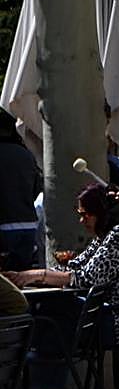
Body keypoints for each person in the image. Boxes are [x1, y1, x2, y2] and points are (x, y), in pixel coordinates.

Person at [5, 182, 119, 389]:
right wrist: (33, 276)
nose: (82, 221)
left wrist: (36, 275)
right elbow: (75, 267)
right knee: (51, 317)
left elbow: (85, 277)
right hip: (109, 313)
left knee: (54, 323)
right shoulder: (104, 238)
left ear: (101, 212)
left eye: (86, 214)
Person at [0, 109, 41, 271]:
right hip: (29, 225)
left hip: (3, 225)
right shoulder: (26, 155)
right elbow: (37, 190)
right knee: (22, 277)